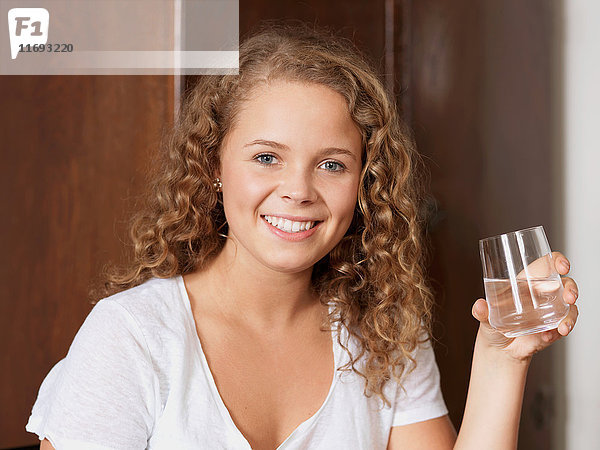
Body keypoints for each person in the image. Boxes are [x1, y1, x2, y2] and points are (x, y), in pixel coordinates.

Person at [26, 23, 579, 450]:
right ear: (213, 164)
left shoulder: (384, 334)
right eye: (267, 157)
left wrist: (502, 357)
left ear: (365, 184)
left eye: (332, 165)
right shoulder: (132, 337)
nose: (298, 190)